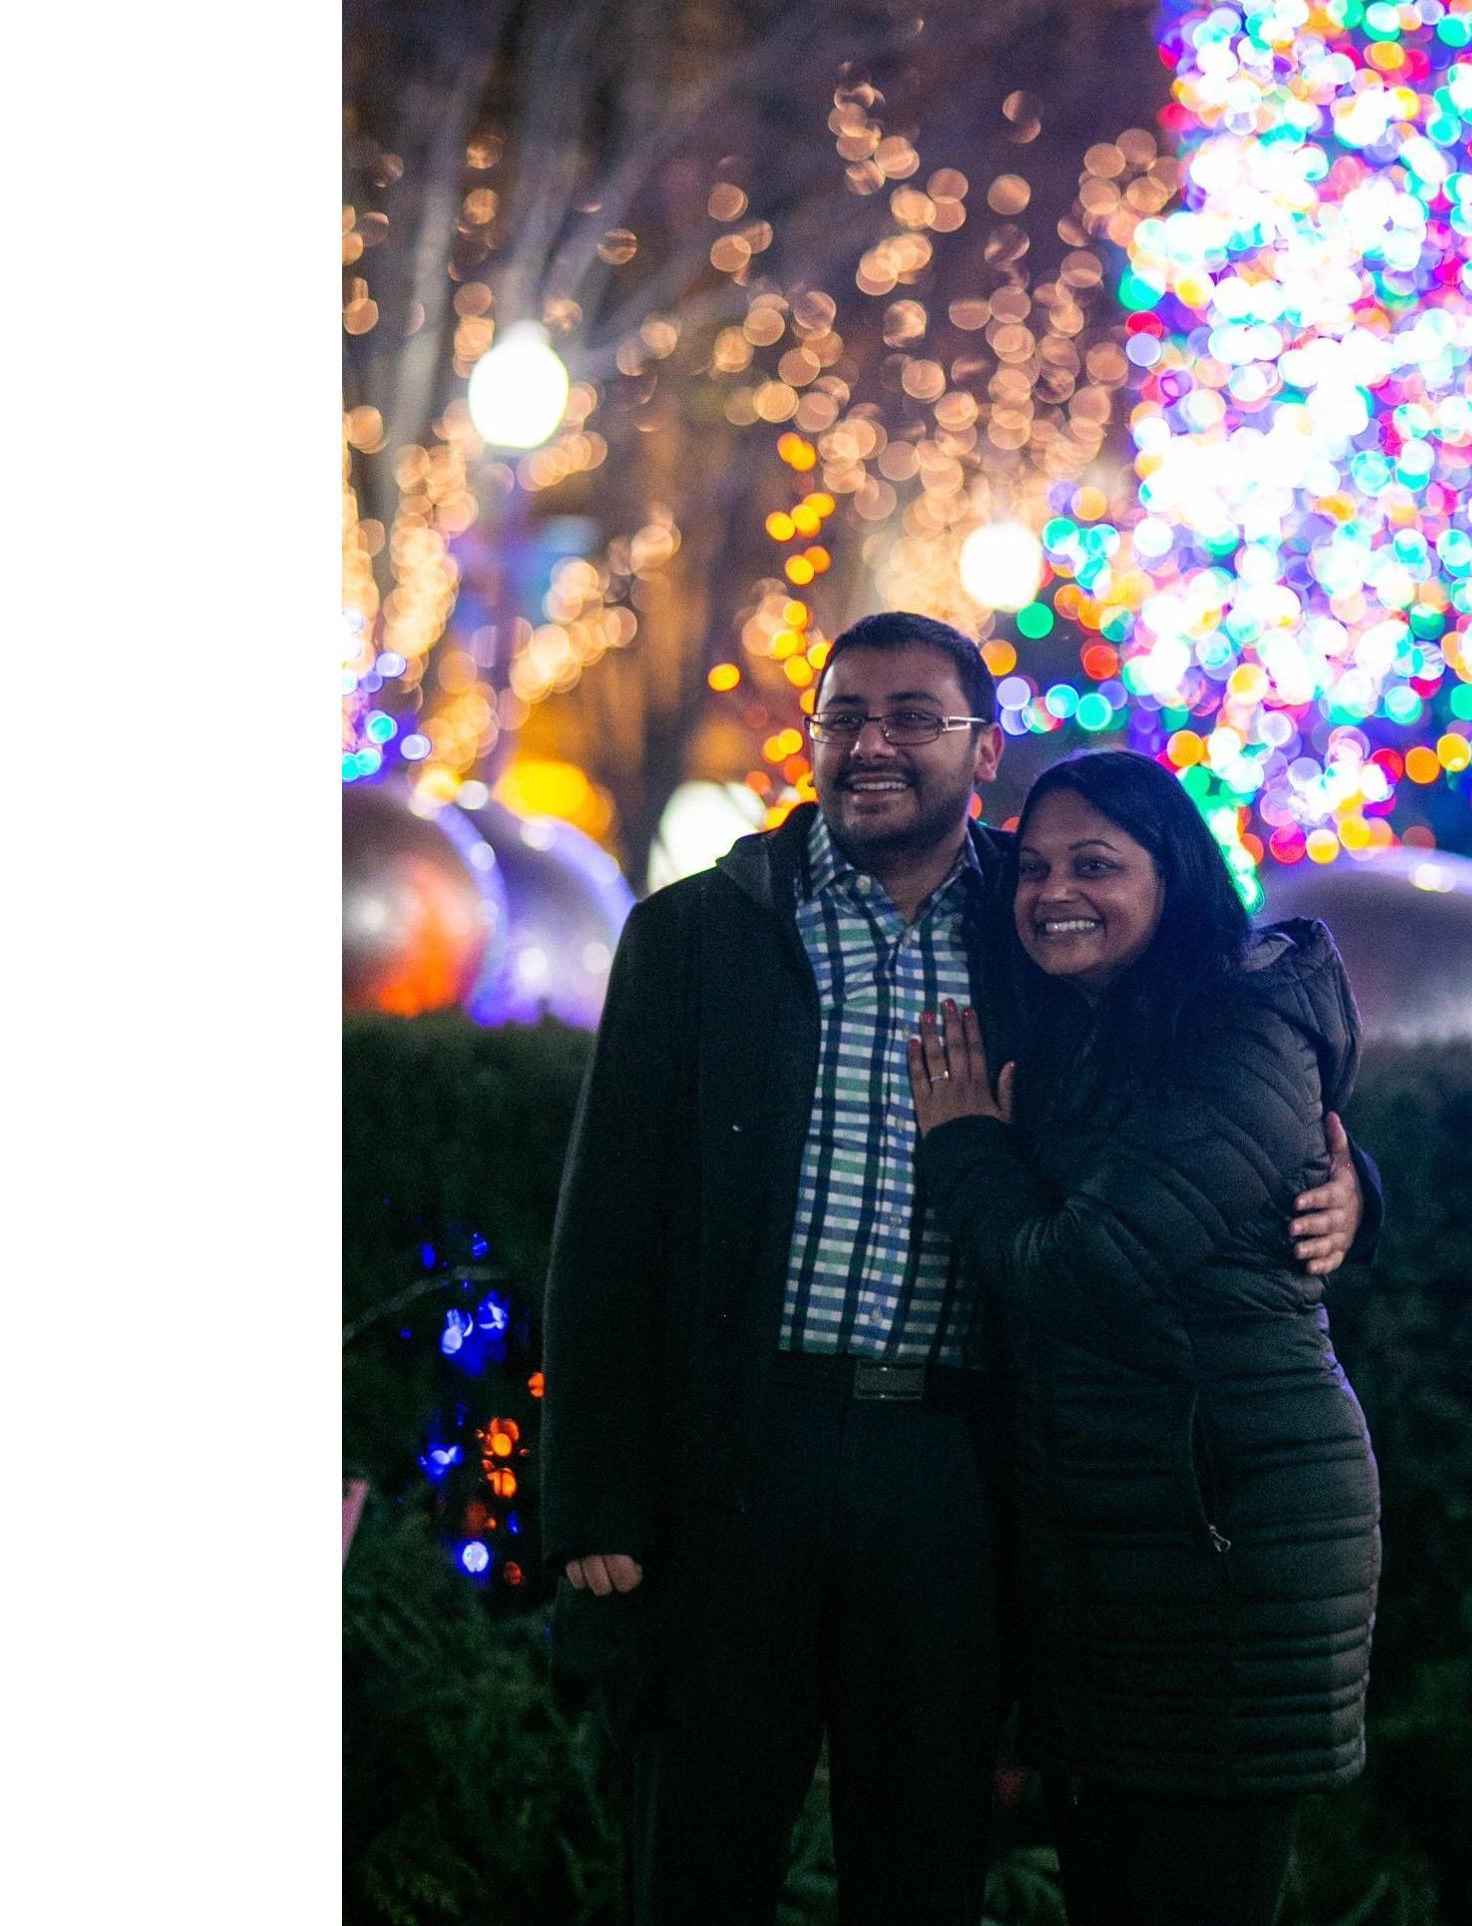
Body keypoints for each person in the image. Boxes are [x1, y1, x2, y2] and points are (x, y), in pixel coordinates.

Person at [539, 612, 1380, 1926]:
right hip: (744, 1449)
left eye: (912, 717)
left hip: (954, 1470)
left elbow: (1204, 1078)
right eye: (845, 716)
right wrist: (594, 1494)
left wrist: (1347, 1187)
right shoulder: (700, 932)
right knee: (698, 1842)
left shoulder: (1039, 924)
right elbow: (608, 1229)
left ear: (981, 749)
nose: (872, 743)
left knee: (922, 1857)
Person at [908, 750, 1383, 1926]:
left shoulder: (1233, 1025)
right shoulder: (1093, 1026)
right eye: (1034, 866)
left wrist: (963, 1140)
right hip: (1125, 1548)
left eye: (1096, 864)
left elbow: (1084, 1270)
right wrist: (1359, 1182)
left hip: (1217, 1550)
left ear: (1172, 876)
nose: (1054, 889)